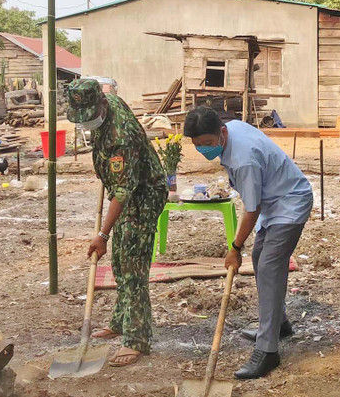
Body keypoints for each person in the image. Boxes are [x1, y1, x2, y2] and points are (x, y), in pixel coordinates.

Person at [184, 106, 313, 379]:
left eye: (207, 144)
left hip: (289, 203)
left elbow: (250, 210)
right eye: (198, 146)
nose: (204, 150)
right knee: (260, 260)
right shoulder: (231, 130)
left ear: (221, 132)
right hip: (275, 200)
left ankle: (268, 350)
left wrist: (235, 247)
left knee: (268, 266)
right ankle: (279, 324)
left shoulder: (243, 160)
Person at [67, 79, 167, 367]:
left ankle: (137, 338)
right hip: (125, 191)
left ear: (100, 105)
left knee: (133, 262)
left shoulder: (119, 137)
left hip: (144, 194)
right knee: (121, 262)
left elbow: (124, 191)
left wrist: (102, 234)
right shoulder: (108, 104)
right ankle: (121, 320)